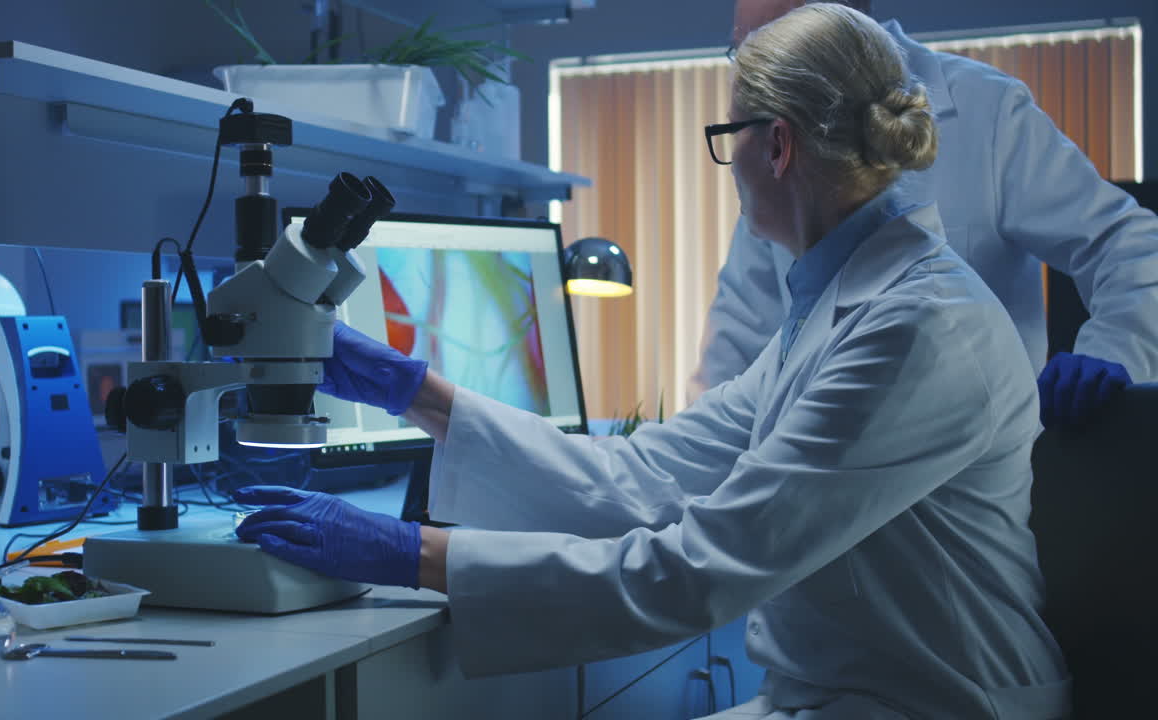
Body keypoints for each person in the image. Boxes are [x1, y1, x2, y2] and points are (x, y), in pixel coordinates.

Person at [235, 5, 1068, 718]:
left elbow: (692, 570)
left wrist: (405, 551)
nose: (729, 165)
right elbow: (647, 474)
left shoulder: (916, 329)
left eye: (727, 136)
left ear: (776, 147)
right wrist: (414, 390)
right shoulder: (837, 308)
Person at [691, 0, 1158, 430]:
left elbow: (1128, 246)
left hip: (973, 462)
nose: (759, 80)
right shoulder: (778, 155)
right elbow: (733, 354)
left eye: (782, 49)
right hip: (830, 471)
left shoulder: (984, 109)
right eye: (746, 53)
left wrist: (1113, 356)